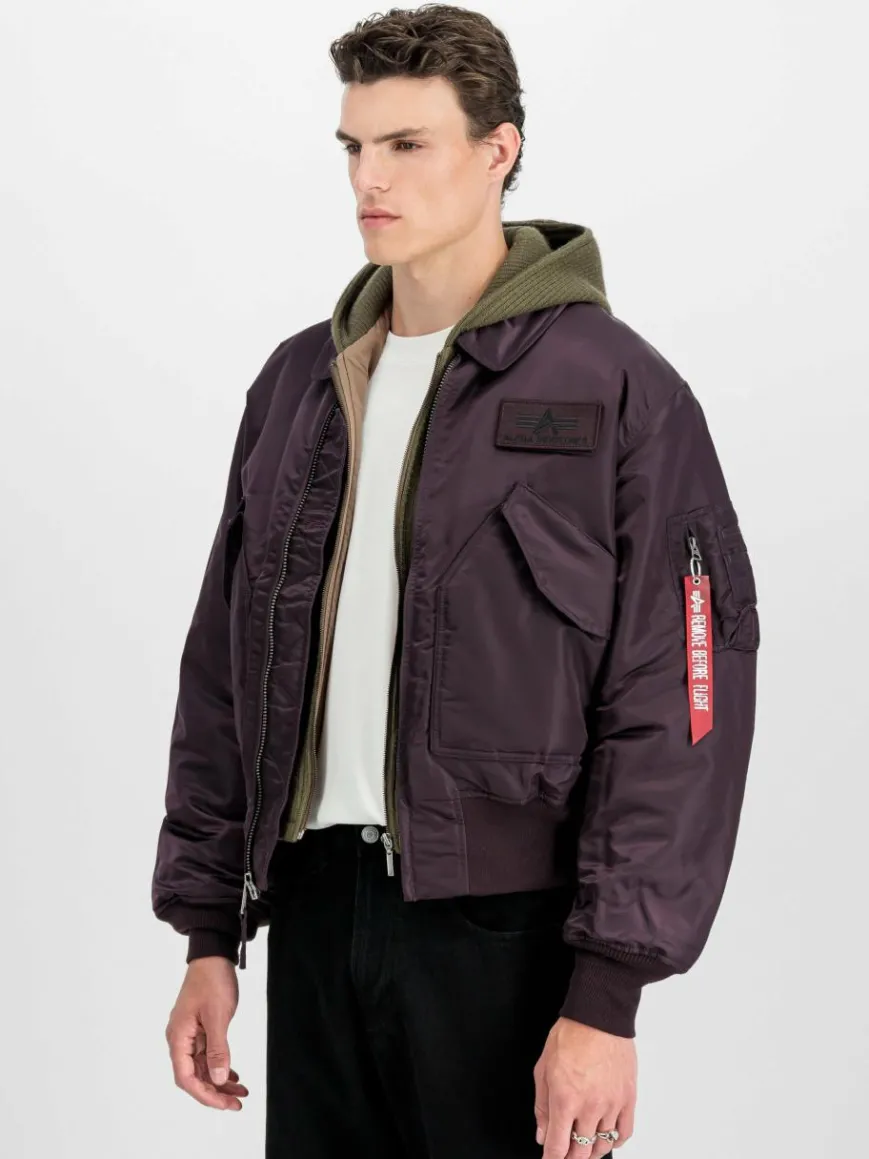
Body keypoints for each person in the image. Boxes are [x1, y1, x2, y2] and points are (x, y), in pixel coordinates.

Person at [152, 5, 760, 1157]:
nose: (367, 179)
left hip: (510, 936)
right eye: (353, 146)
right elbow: (221, 672)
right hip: (315, 911)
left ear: (497, 150)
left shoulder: (615, 391)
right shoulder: (298, 384)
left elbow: (682, 696)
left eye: (405, 144)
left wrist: (605, 995)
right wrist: (209, 931)